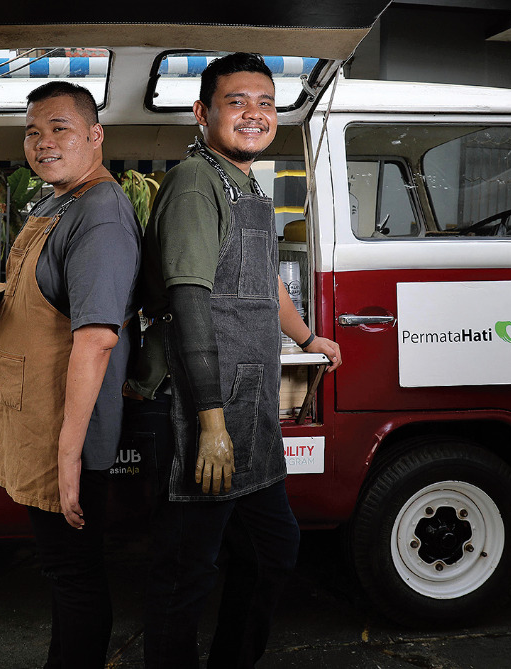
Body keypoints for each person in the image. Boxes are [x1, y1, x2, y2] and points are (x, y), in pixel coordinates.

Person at [129, 52, 343, 668]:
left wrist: (306, 338)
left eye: (265, 103)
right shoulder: (196, 183)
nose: (254, 114)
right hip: (198, 408)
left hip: (244, 403)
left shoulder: (245, 184)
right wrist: (212, 424)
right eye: (237, 102)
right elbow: (188, 302)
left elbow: (262, 280)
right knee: (185, 572)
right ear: (203, 113)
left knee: (272, 549)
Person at [0, 81, 140, 669]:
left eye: (59, 128)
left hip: (67, 429)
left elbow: (96, 337)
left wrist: (69, 455)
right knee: (63, 574)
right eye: (33, 133)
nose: (43, 143)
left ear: (95, 135)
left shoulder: (101, 213)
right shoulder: (57, 203)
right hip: (38, 418)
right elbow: (53, 298)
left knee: (75, 575)